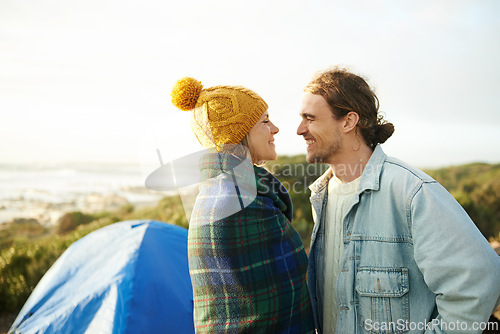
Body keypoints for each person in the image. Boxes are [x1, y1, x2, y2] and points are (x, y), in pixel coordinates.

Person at [296, 67, 500, 333]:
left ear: (348, 121)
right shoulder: (322, 196)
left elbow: (479, 284)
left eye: (310, 118)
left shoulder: (413, 192)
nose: (300, 129)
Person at [171, 77, 314, 333]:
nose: (276, 129)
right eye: (265, 121)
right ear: (239, 134)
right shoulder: (239, 200)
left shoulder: (222, 189)